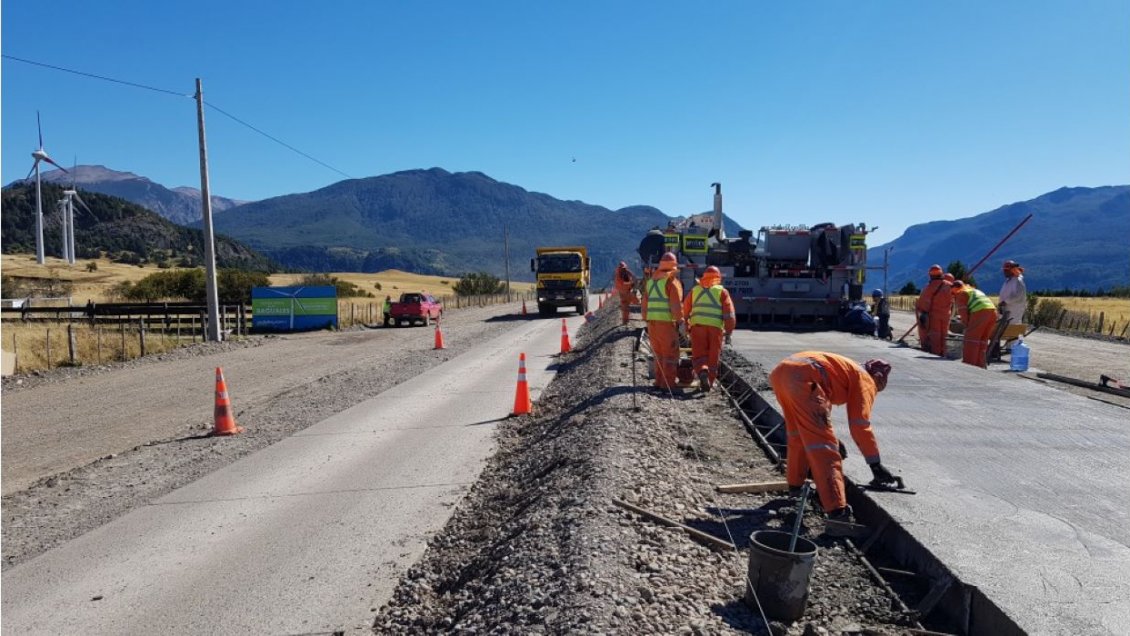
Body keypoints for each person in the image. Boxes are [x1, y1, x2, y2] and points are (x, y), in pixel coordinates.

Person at [768, 352, 899, 532]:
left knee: (798, 436)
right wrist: (875, 466)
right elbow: (859, 424)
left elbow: (819, 406)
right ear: (878, 378)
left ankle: (795, 488)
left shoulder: (845, 369)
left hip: (782, 374)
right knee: (825, 449)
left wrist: (832, 436)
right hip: (804, 379)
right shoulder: (866, 380)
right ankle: (838, 514)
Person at [680, 265, 736, 392]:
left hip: (697, 327)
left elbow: (686, 310)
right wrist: (729, 332)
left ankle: (702, 372)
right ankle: (709, 382)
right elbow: (729, 314)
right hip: (715, 329)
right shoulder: (722, 292)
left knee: (699, 354)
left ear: (704, 277)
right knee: (713, 356)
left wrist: (686, 325)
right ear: (718, 278)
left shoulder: (695, 290)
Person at [641, 252, 684, 391]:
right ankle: (669, 385)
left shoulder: (651, 282)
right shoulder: (671, 282)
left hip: (652, 324)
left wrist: (646, 319)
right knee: (670, 356)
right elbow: (676, 305)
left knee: (659, 355)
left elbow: (644, 304)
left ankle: (659, 382)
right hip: (666, 325)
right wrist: (681, 321)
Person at [951, 280, 998, 368]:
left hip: (981, 312)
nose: (952, 295)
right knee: (982, 341)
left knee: (971, 340)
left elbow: (963, 314)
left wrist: (967, 326)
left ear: (955, 289)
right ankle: (980, 365)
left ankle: (969, 366)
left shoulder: (961, 294)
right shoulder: (973, 290)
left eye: (952, 292)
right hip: (993, 313)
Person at [914, 265, 952, 355]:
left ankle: (936, 355)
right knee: (944, 336)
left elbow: (922, 304)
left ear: (930, 275)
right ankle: (943, 353)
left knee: (935, 336)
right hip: (946, 315)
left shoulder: (928, 288)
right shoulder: (949, 285)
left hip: (933, 317)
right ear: (941, 273)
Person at [999, 260, 1027, 326]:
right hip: (1007, 309)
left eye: (1006, 270)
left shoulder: (1018, 281)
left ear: (1012, 270)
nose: (1004, 272)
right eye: (1004, 270)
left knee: (1012, 327)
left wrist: (1005, 301)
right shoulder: (1009, 281)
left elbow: (1018, 296)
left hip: (1014, 310)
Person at [613, 261, 638, 326]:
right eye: (623, 268)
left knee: (626, 307)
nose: (624, 270)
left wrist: (631, 274)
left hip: (626, 292)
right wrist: (631, 284)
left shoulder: (624, 273)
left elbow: (632, 278)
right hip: (624, 293)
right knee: (626, 307)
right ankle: (625, 321)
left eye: (624, 268)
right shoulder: (618, 276)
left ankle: (625, 321)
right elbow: (622, 284)